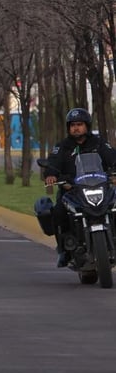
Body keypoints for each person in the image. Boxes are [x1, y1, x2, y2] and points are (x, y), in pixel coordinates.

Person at [43, 107, 116, 267]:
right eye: (73, 125)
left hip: (98, 185)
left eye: (80, 124)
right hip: (72, 188)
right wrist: (51, 174)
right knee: (59, 212)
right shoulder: (63, 146)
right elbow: (53, 163)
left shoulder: (98, 142)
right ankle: (64, 250)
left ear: (87, 126)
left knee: (114, 205)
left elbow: (112, 157)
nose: (76, 128)